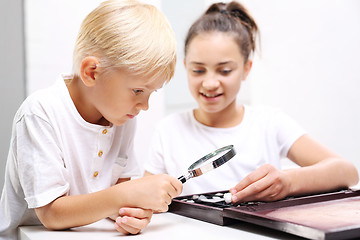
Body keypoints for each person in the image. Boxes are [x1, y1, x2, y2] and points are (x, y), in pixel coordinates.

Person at [0, 1, 183, 239]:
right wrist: (125, 195)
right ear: (91, 72)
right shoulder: (40, 113)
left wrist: (132, 212)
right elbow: (51, 214)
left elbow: (119, 192)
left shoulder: (122, 118)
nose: (145, 105)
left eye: (152, 93)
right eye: (138, 91)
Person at [144, 1, 358, 204]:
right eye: (198, 70)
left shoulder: (269, 123)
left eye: (225, 70)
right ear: (185, 66)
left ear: (246, 69)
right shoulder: (167, 132)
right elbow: (142, 198)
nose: (209, 83)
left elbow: (348, 172)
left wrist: (289, 182)